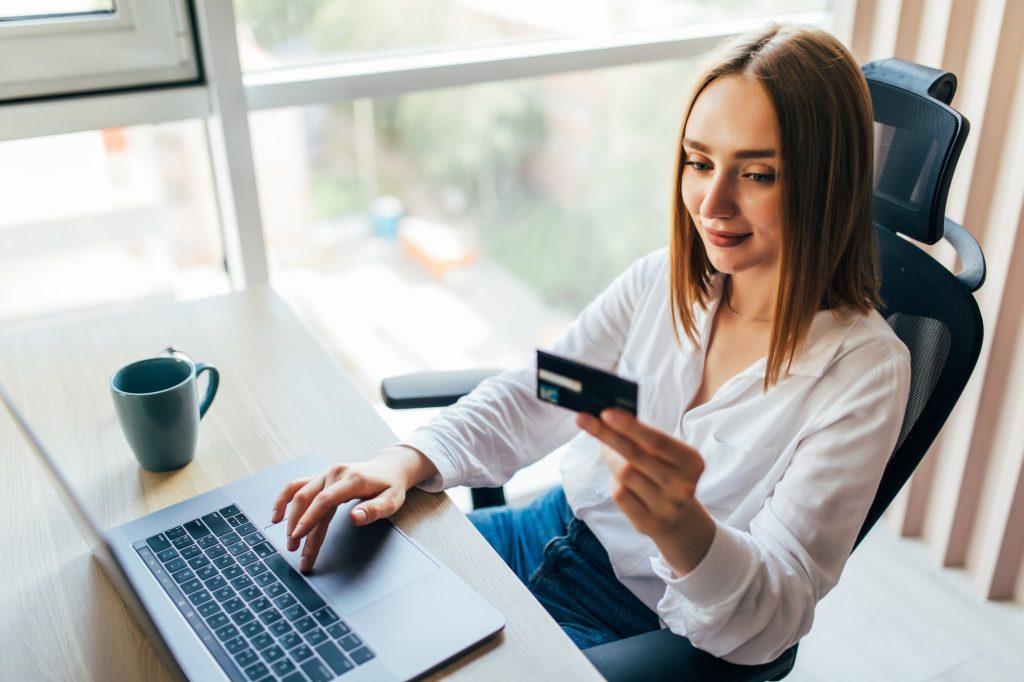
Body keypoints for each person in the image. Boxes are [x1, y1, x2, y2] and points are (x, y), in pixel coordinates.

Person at [272, 23, 911, 665]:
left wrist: (683, 531)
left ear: (827, 182)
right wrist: (405, 459)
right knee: (328, 602)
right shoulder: (664, 283)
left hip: (638, 620)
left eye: (758, 174)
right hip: (546, 528)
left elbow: (778, 611)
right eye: (699, 162)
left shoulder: (862, 372)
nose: (711, 202)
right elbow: (543, 393)